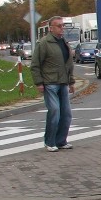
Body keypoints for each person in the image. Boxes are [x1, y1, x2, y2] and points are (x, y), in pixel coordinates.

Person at [30, 17, 76, 151]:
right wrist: (38, 82)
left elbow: (69, 64)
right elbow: (35, 64)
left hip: (63, 82)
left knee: (66, 114)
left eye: (63, 26)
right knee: (54, 111)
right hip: (50, 82)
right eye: (59, 26)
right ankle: (50, 142)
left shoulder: (64, 43)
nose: (62, 28)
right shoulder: (44, 43)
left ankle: (61, 140)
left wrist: (71, 81)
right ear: (51, 28)